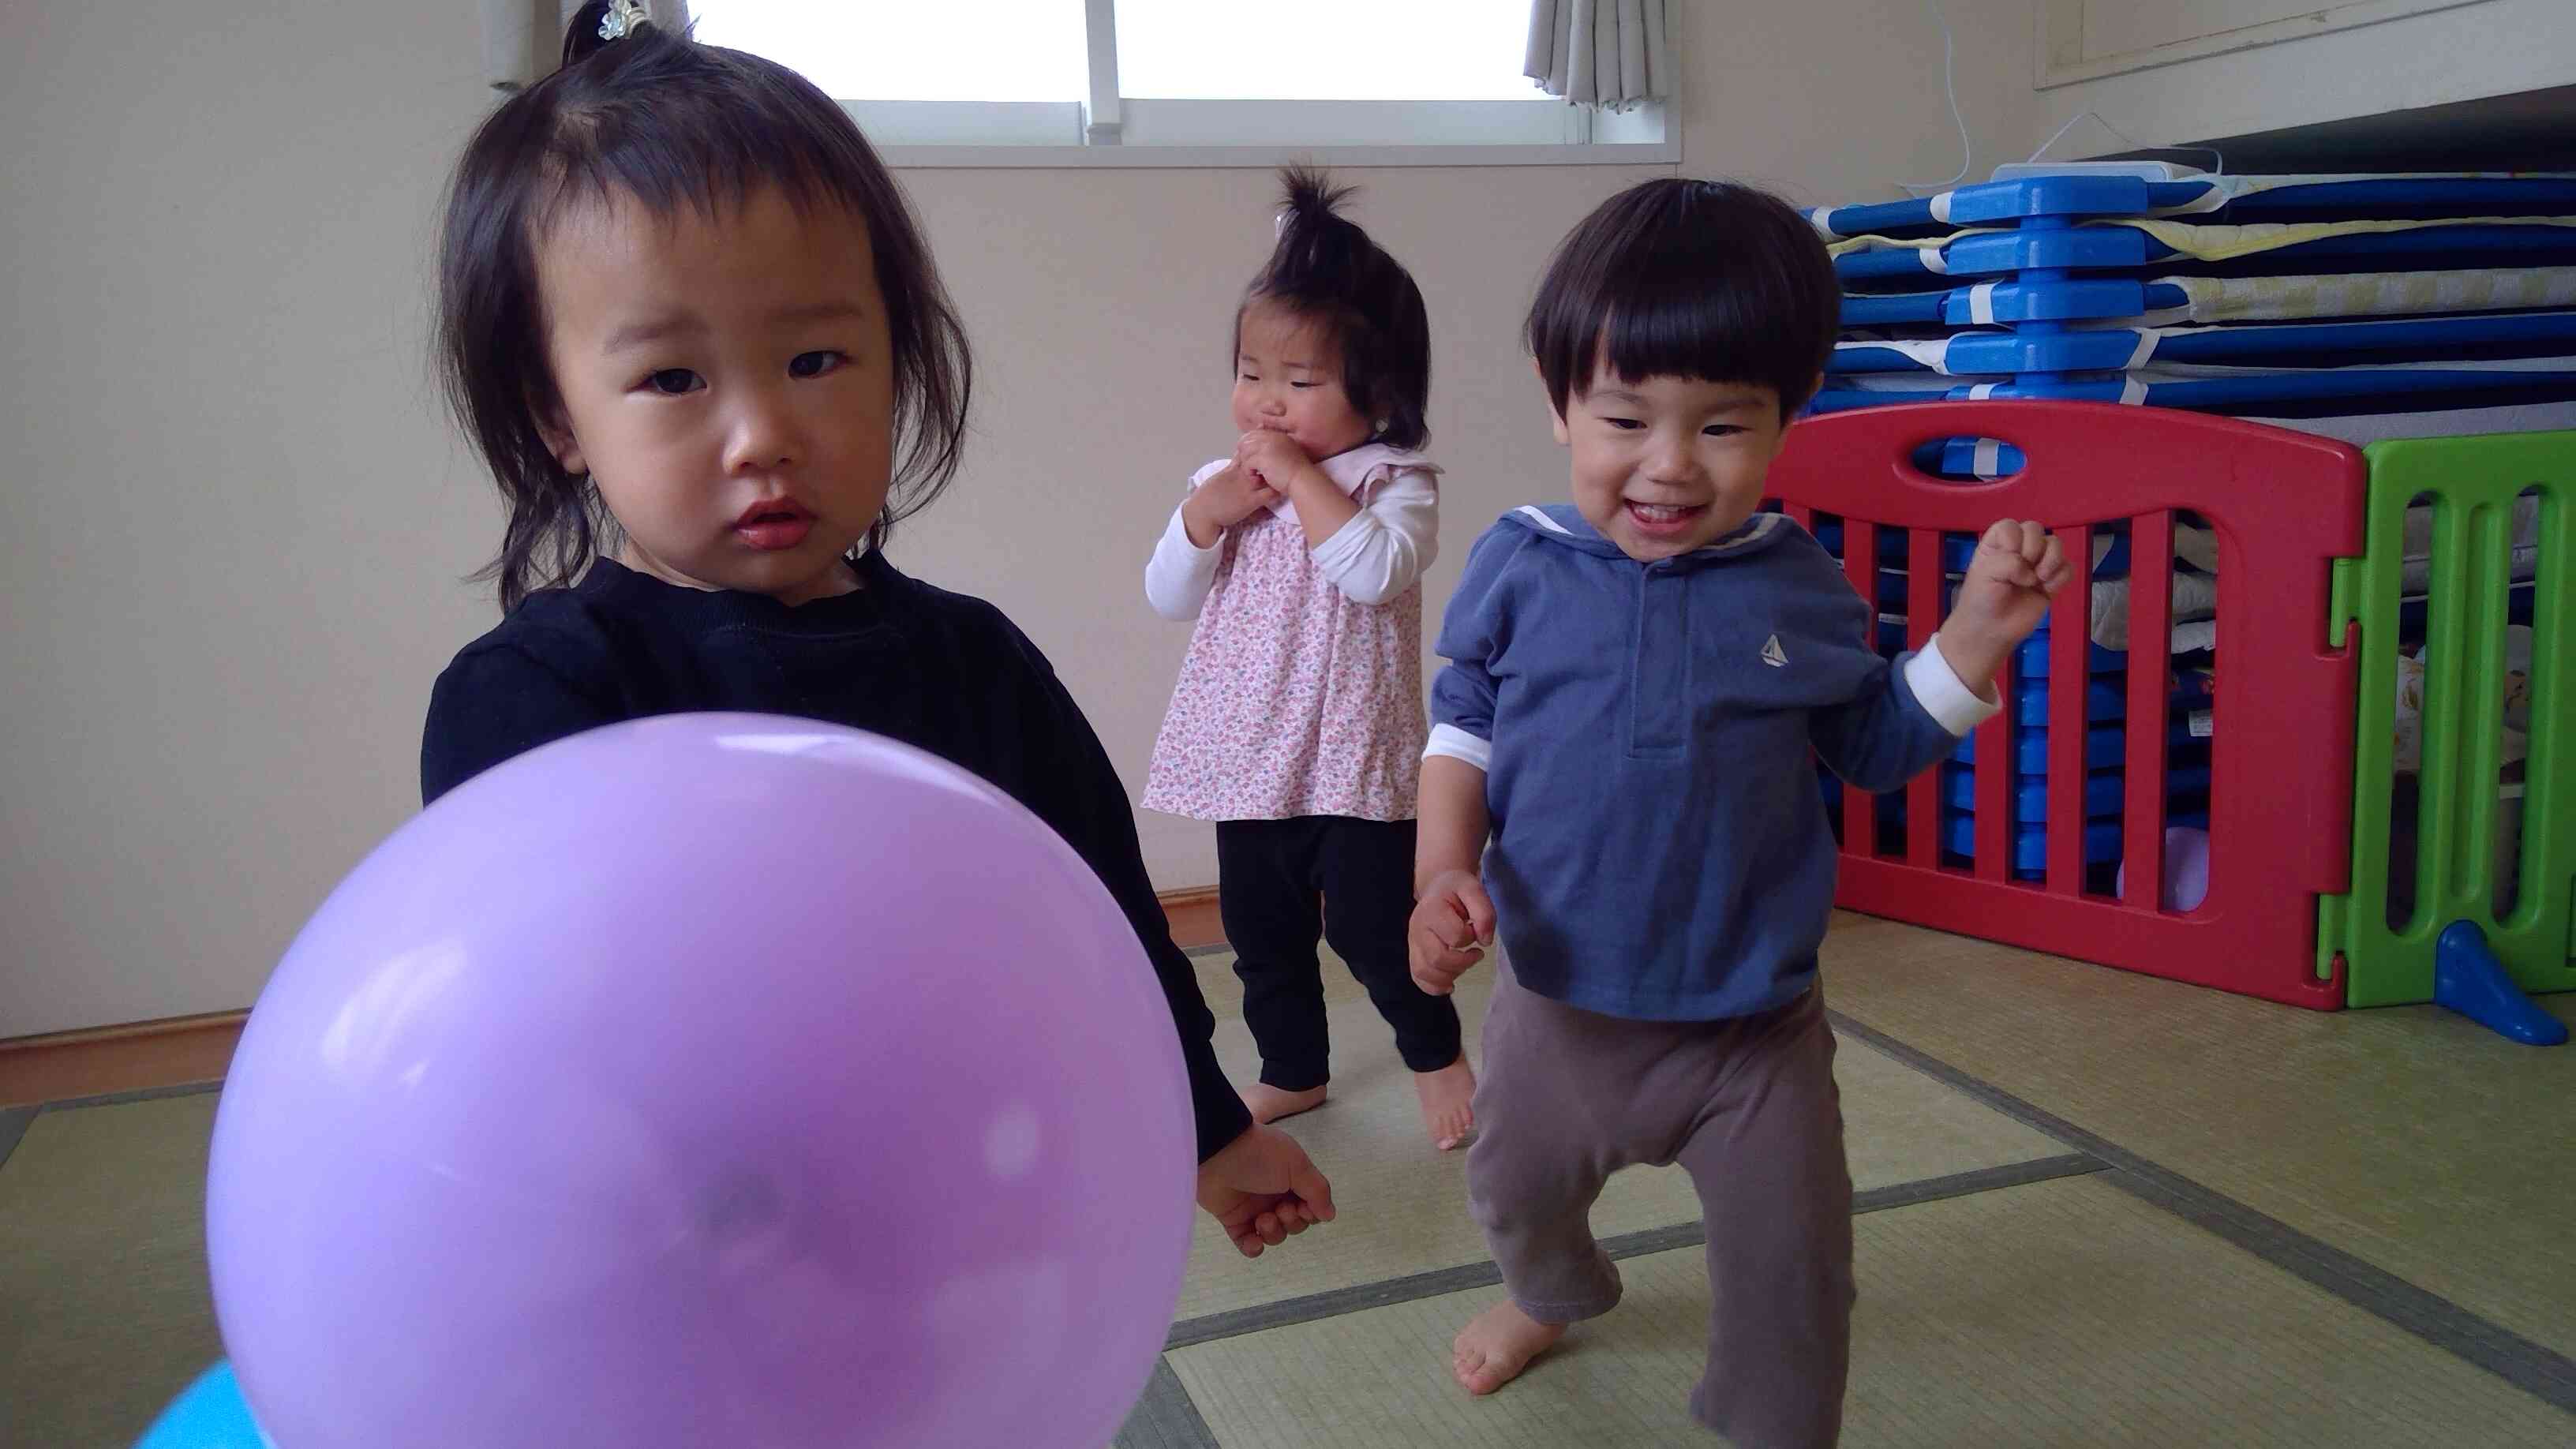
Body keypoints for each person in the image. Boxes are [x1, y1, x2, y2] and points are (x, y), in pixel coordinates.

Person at [419, 1, 1331, 1259]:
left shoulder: (975, 666)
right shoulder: (538, 699)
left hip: (957, 1223)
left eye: (816, 360)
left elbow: (1106, 920)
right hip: (675, 1260)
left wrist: (1209, 1131)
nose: (762, 433)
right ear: (561, 416)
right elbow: (519, 1038)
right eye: (675, 379)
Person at [1407, 178, 2073, 1444]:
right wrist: (1443, 870)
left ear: (1785, 424)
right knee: (1512, 1188)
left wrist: (1975, 635)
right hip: (1558, 1005)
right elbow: (1464, 729)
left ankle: (1771, 1424)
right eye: (1624, 418)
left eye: (1722, 426)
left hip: (1753, 1029)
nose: (1668, 465)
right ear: (1559, 405)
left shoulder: (1799, 586)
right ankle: (1555, 1296)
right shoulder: (1523, 562)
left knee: (1796, 1273)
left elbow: (1875, 745)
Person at [1142, 167, 1476, 1151]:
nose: (1268, 404)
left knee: (1372, 929)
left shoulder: (1391, 482)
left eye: (1300, 382)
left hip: (1350, 752)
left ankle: (1434, 1051)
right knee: (1262, 936)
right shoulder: (1223, 481)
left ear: (1378, 392)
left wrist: (1298, 480)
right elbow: (1167, 595)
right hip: (1249, 751)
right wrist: (1205, 517)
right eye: (1252, 374)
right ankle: (1293, 1069)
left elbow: (1372, 574)